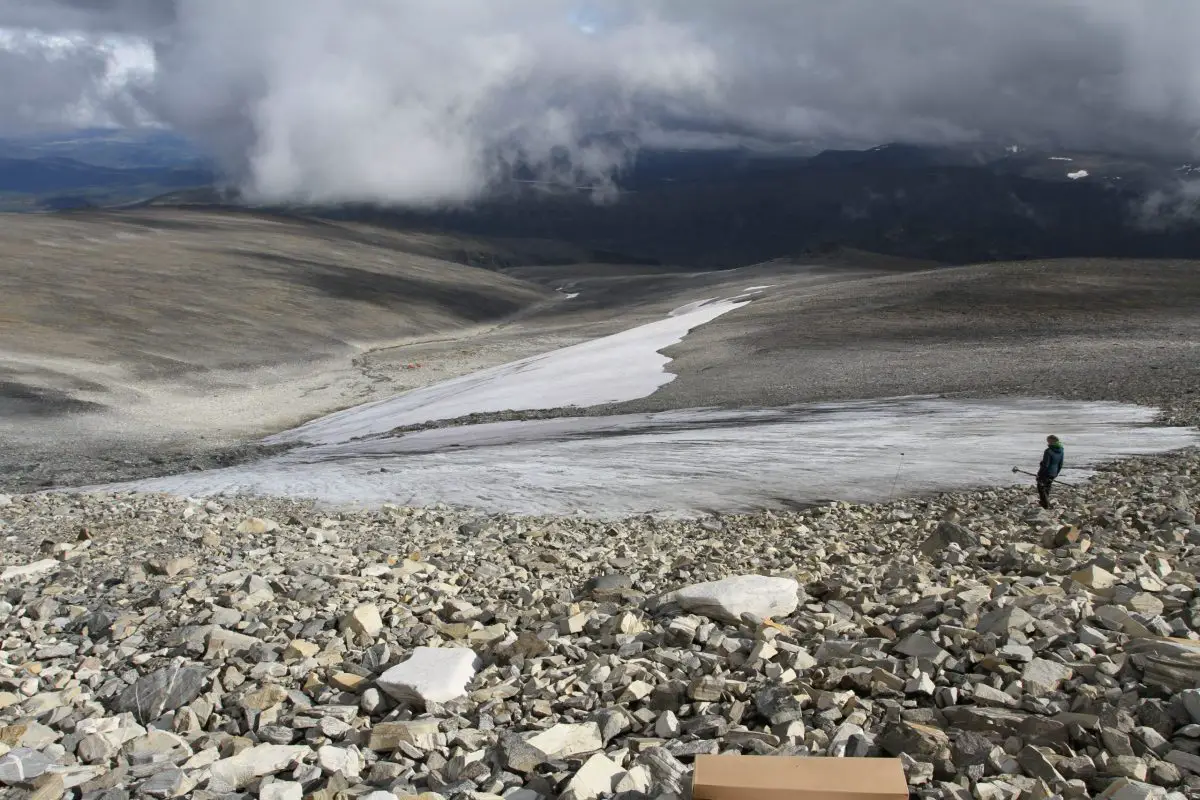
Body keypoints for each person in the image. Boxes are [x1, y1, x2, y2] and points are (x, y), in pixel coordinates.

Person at [1036, 435, 1065, 509]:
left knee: (1041, 488)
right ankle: (1045, 503)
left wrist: (1039, 474)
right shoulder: (1061, 450)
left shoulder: (1048, 451)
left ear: (1051, 441)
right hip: (1054, 473)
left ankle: (1045, 505)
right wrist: (1056, 473)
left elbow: (1045, 465)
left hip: (1046, 473)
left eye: (1048, 441)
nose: (1047, 443)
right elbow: (1060, 464)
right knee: (1047, 488)